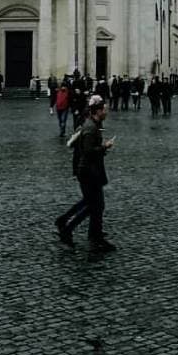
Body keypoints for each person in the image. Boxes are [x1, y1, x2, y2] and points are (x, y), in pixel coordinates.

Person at [55, 97, 116, 253]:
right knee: (93, 205)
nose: (107, 113)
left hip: (92, 171)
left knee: (96, 205)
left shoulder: (94, 125)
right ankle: (68, 229)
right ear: (98, 111)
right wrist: (104, 147)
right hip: (88, 172)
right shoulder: (90, 128)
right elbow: (88, 152)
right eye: (105, 110)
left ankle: (94, 236)